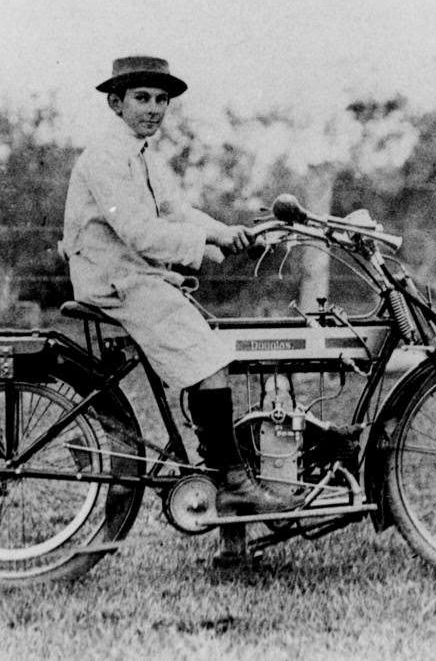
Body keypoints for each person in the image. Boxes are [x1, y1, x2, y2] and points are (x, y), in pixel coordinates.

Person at [60, 55, 298, 515]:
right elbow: (141, 232)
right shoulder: (106, 157)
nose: (153, 108)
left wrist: (225, 231)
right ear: (116, 102)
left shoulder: (142, 154)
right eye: (142, 98)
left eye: (162, 99)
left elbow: (176, 211)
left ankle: (229, 469)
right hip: (117, 281)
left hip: (135, 275)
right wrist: (209, 238)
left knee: (213, 343)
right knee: (209, 360)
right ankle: (232, 483)